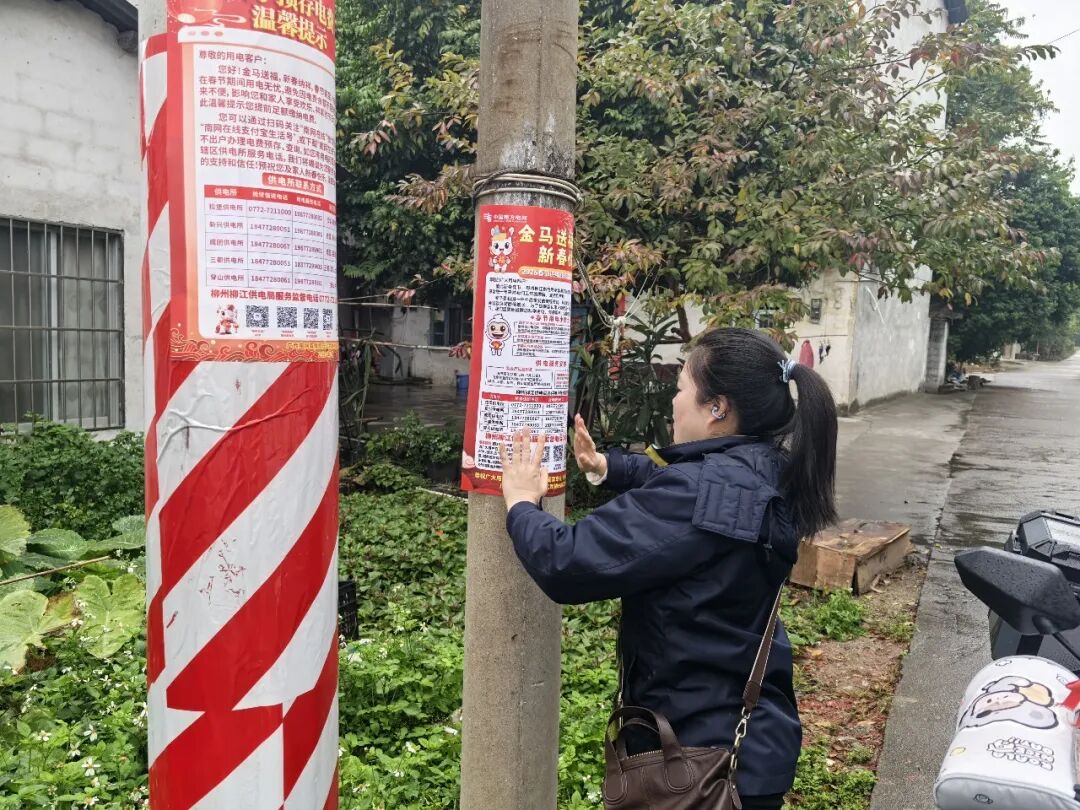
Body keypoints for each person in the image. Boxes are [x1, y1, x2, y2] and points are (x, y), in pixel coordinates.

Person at [499, 327, 839, 809]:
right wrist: (606, 467)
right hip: (753, 744)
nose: (673, 402)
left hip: (699, 757)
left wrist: (520, 504)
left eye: (681, 388)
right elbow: (685, 480)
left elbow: (567, 563)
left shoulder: (698, 493)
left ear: (717, 407)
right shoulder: (771, 468)